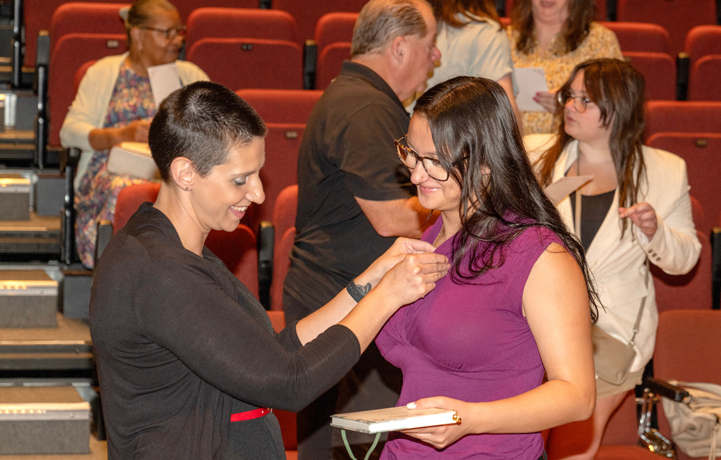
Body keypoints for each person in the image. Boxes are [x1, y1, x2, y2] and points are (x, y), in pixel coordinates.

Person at [90, 81, 450, 460]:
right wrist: (387, 296)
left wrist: (368, 282)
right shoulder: (158, 272)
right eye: (240, 179)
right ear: (185, 173)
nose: (258, 194)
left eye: (257, 174)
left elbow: (275, 355)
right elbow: (291, 383)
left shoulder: (175, 251)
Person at [373, 76, 599, 459]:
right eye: (411, 153)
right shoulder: (430, 236)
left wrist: (472, 418)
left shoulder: (539, 255)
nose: (414, 174)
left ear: (486, 164)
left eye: (434, 162)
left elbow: (577, 396)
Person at [282, 0, 442, 457]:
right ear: (399, 47)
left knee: (330, 436)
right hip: (345, 299)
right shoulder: (367, 107)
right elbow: (391, 216)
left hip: (336, 292)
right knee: (362, 438)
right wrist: (464, 202)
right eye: (430, 46)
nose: (436, 58)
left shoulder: (356, 96)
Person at [525, 59, 702, 459]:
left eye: (585, 100)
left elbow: (685, 259)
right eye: (569, 95)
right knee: (521, 443)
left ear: (618, 109)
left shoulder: (665, 170)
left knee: (570, 449)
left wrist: (655, 231)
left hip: (610, 335)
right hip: (533, 323)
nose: (571, 105)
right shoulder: (534, 155)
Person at [60, 0, 208, 268]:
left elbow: (215, 135)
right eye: (167, 33)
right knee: (126, 192)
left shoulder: (191, 77)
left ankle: (172, 274)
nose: (176, 40)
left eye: (179, 32)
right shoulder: (103, 73)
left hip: (171, 173)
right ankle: (119, 275)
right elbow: (69, 132)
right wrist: (119, 135)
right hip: (110, 170)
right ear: (138, 35)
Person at [507, 0, 621, 135]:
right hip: (509, 147)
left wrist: (569, 100)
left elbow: (617, 103)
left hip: (571, 146)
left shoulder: (600, 40)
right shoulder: (505, 37)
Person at [407, 0, 518, 118]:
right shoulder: (487, 34)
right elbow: (503, 110)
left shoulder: (417, 26)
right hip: (458, 133)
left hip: (410, 127)